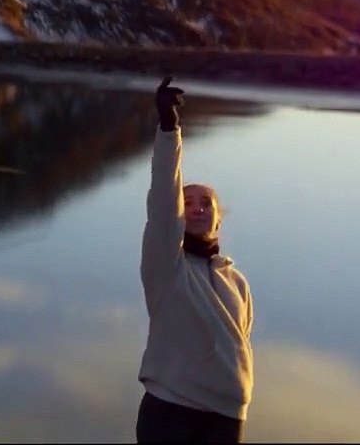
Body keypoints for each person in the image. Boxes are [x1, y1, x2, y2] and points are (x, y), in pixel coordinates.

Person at [135, 76, 254, 443]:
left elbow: (239, 342)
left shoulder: (236, 281)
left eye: (207, 204)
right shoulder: (166, 264)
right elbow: (162, 199)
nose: (198, 208)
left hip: (226, 416)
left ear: (219, 218)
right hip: (173, 411)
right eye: (189, 203)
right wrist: (169, 129)